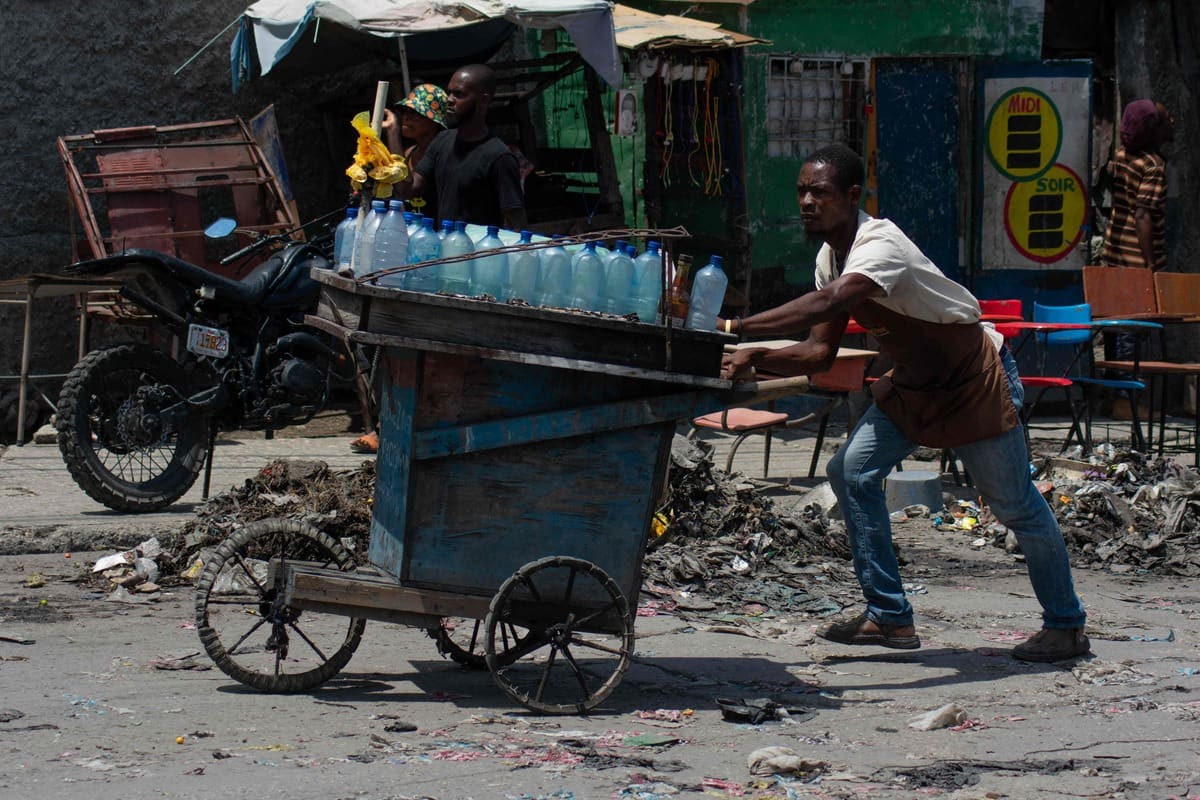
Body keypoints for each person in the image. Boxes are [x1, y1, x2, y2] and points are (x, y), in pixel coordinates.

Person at [720, 144, 1089, 663]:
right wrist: (753, 358)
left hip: (972, 379)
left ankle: (1066, 625)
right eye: (801, 191)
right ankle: (889, 616)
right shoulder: (830, 257)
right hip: (917, 383)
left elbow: (830, 304)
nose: (806, 201)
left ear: (852, 196)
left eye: (819, 192)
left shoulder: (880, 243)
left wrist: (736, 327)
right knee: (851, 472)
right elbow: (819, 353)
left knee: (1015, 506)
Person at [1099, 100, 1174, 418]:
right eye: (1163, 118)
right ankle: (1128, 401)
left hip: (1112, 255)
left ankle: (1114, 396)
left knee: (1114, 330)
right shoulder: (1153, 166)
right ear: (1153, 131)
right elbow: (1143, 215)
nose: (1172, 119)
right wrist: (1148, 264)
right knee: (1132, 331)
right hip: (1134, 261)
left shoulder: (1120, 158)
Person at [401, 63, 527, 231]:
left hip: (478, 254)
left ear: (483, 100)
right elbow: (408, 189)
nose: (449, 100)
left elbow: (516, 222)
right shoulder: (442, 141)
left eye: (459, 94)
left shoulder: (499, 157)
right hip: (446, 251)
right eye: (449, 92)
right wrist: (392, 135)